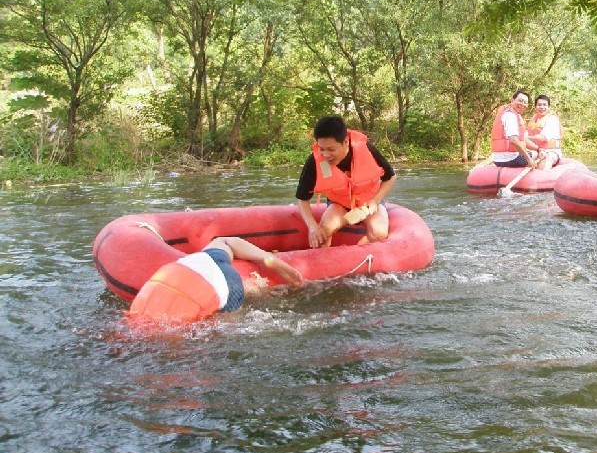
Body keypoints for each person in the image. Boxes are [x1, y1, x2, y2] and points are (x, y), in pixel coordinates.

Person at [128, 237, 304, 324]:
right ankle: (256, 285)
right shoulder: (204, 255)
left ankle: (254, 288)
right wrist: (275, 262)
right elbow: (225, 241)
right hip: (199, 270)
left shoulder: (133, 321)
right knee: (229, 322)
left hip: (207, 281)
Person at [296, 115, 396, 248]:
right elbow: (302, 199)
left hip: (368, 203)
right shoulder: (314, 162)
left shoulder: (367, 150)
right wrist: (312, 226)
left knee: (379, 234)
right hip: (339, 204)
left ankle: (364, 255)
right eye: (321, 149)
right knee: (322, 235)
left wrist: (375, 202)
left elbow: (391, 177)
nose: (325, 155)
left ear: (345, 142)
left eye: (331, 149)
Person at [491, 89, 544, 167]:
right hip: (510, 159)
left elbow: (523, 139)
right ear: (512, 100)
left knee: (535, 151)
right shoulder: (510, 116)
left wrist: (538, 148)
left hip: (498, 159)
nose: (522, 104)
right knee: (536, 154)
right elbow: (513, 140)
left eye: (525, 102)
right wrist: (529, 159)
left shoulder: (512, 114)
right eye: (520, 100)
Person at [526, 94, 563, 170]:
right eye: (539, 105)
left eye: (544, 105)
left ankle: (543, 177)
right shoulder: (533, 120)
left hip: (550, 151)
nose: (542, 107)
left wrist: (526, 137)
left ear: (548, 107)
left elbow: (543, 138)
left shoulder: (552, 119)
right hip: (536, 150)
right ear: (535, 107)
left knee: (547, 159)